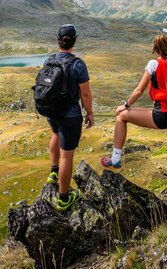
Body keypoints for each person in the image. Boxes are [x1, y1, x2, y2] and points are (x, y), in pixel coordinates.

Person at [101, 33, 167, 210]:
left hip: (162, 115)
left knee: (122, 116)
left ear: (155, 48)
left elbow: (139, 90)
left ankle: (115, 161)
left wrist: (124, 105)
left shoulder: (154, 64)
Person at [45, 24, 94, 211]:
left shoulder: (49, 60)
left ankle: (53, 172)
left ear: (57, 40)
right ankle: (64, 197)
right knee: (67, 155)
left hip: (52, 111)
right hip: (70, 115)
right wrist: (89, 113)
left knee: (55, 134)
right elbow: (86, 94)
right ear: (75, 40)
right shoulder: (78, 64)